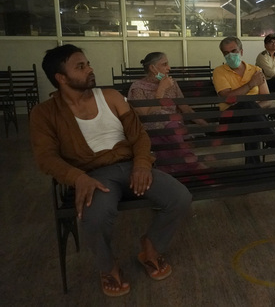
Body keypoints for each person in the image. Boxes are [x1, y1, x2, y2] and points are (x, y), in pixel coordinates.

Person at [30, 45, 192, 297]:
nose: (90, 69)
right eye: (80, 66)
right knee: (94, 217)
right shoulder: (44, 114)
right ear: (61, 78)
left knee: (180, 197)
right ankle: (108, 266)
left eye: (88, 63)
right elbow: (45, 157)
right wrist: (77, 178)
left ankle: (150, 247)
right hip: (94, 175)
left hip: (130, 165)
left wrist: (141, 164)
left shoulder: (111, 97)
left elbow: (138, 136)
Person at [212, 36, 275, 163]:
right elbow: (228, 99)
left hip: (250, 119)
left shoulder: (255, 70)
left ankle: (253, 166)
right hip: (230, 118)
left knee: (250, 118)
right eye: (226, 53)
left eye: (233, 51)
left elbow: (267, 100)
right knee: (248, 104)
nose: (230, 55)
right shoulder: (219, 71)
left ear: (241, 52)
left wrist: (252, 111)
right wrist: (250, 84)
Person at [127, 52, 207, 172]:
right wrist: (161, 88)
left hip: (172, 126)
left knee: (171, 126)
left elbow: (185, 108)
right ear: (152, 68)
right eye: (164, 64)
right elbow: (144, 114)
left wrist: (205, 125)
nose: (169, 68)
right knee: (167, 125)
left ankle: (180, 168)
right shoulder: (137, 87)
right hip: (151, 128)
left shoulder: (172, 84)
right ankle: (193, 164)